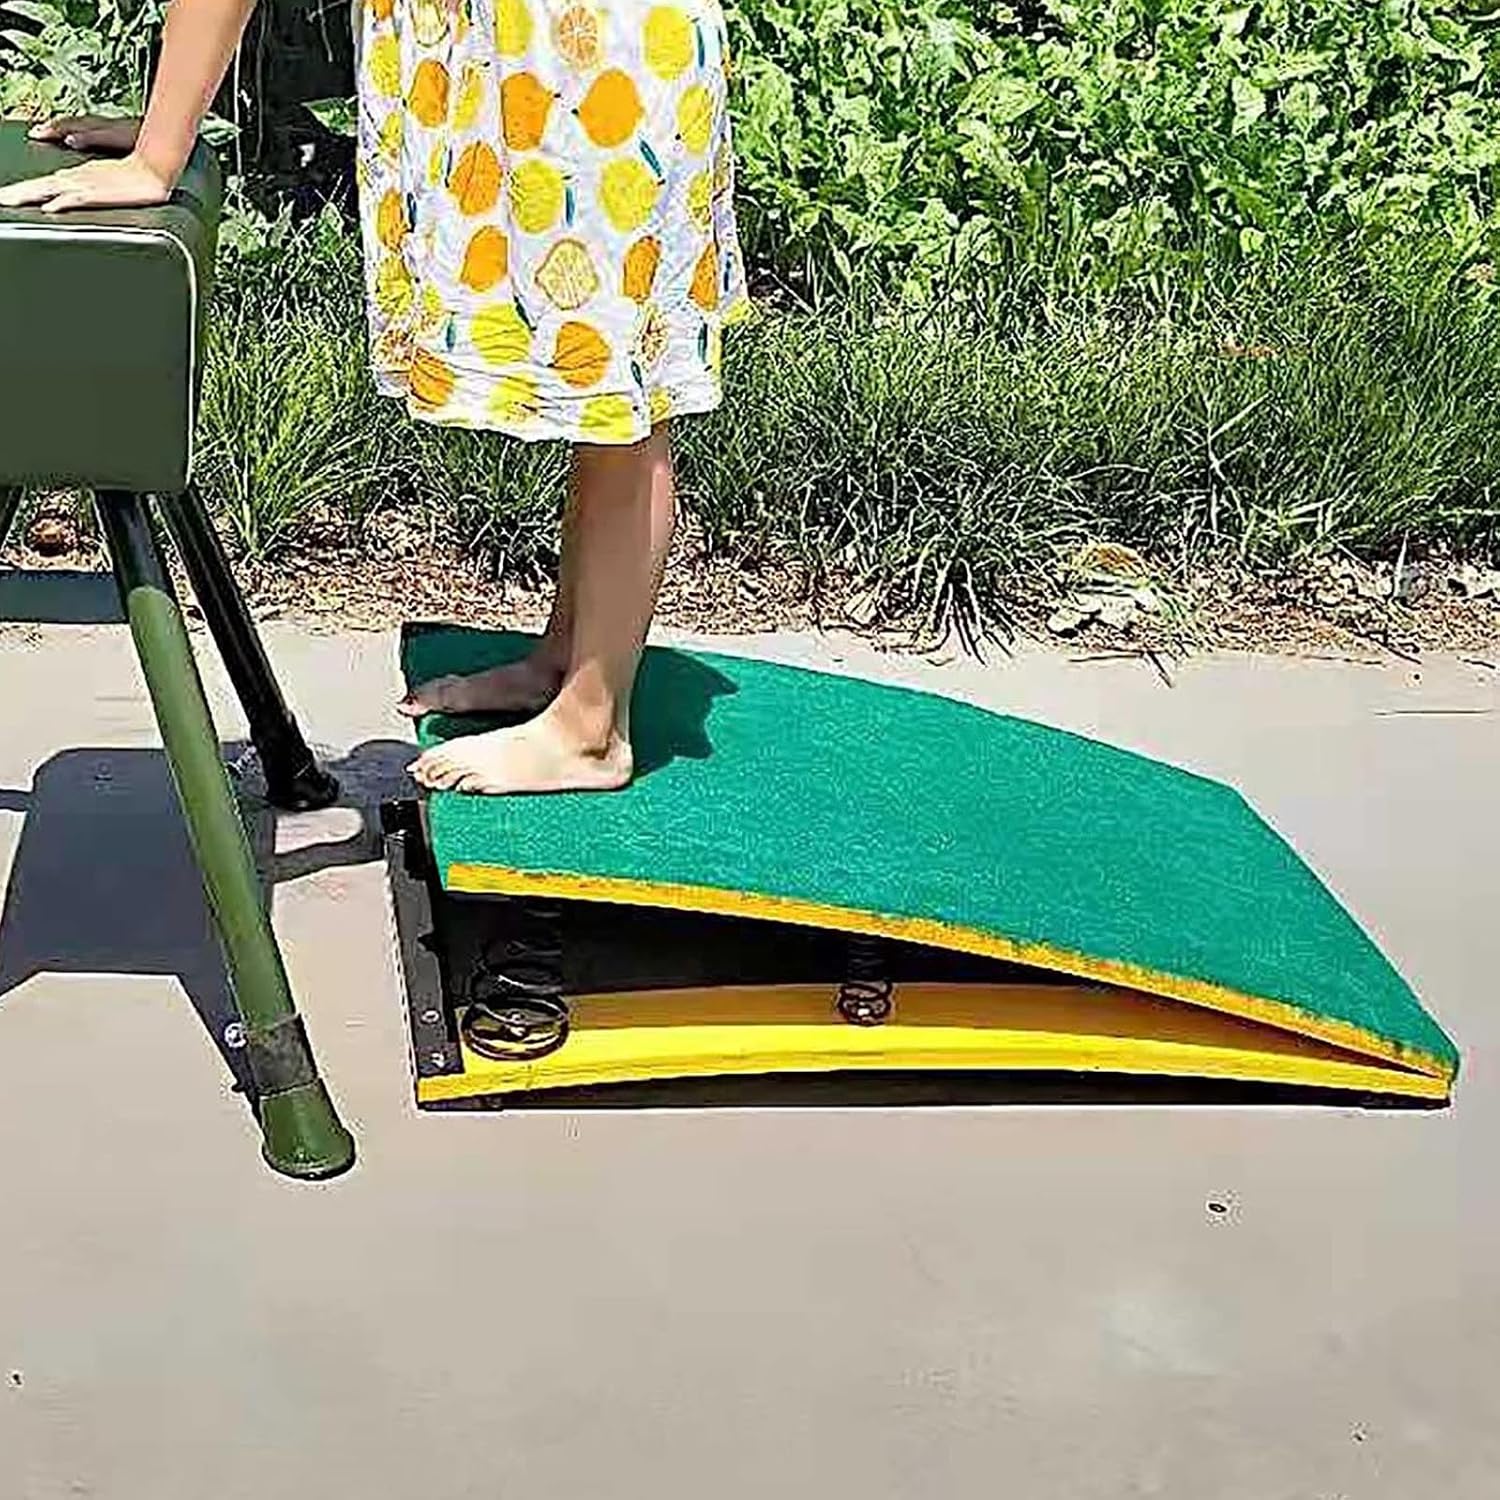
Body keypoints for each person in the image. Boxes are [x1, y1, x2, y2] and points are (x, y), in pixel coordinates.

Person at [0, 0, 749, 795]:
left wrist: (158, 151)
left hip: (587, 65)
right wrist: (160, 129)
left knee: (623, 396)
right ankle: (568, 663)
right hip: (566, 57)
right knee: (603, 387)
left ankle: (591, 729)